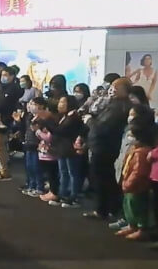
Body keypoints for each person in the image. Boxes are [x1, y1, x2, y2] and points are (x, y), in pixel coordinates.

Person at [84, 78, 132, 220]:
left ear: (124, 90)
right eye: (111, 87)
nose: (111, 90)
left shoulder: (120, 106)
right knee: (105, 178)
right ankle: (108, 208)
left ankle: (103, 210)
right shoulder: (112, 103)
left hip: (105, 147)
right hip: (102, 146)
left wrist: (89, 121)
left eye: (115, 87)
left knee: (101, 179)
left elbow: (102, 128)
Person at [40, 96, 83, 208]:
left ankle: (74, 197)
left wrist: (47, 120)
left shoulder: (74, 117)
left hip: (70, 149)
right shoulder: (65, 116)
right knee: (63, 172)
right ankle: (62, 194)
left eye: (63, 102)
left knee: (72, 173)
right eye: (59, 102)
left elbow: (60, 131)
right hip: (62, 149)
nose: (60, 104)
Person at [118, 125, 153, 241]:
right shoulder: (134, 150)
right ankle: (131, 225)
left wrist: (129, 183)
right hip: (128, 184)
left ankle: (141, 229)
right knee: (128, 206)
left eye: (131, 135)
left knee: (137, 207)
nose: (129, 137)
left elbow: (138, 172)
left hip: (137, 186)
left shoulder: (142, 153)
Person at [0, 67, 23, 181]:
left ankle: (4, 170)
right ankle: (2, 168)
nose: (3, 77)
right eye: (2, 74)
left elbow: (3, 104)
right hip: (0, 117)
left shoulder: (13, 88)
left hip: (5, 119)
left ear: (12, 76)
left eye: (6, 75)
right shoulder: (4, 87)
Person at [20, 98, 45, 197]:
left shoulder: (43, 118)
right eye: (30, 103)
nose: (30, 105)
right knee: (29, 167)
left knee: (36, 167)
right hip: (28, 143)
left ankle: (39, 187)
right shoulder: (29, 116)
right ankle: (31, 185)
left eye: (33, 104)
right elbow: (25, 128)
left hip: (37, 145)